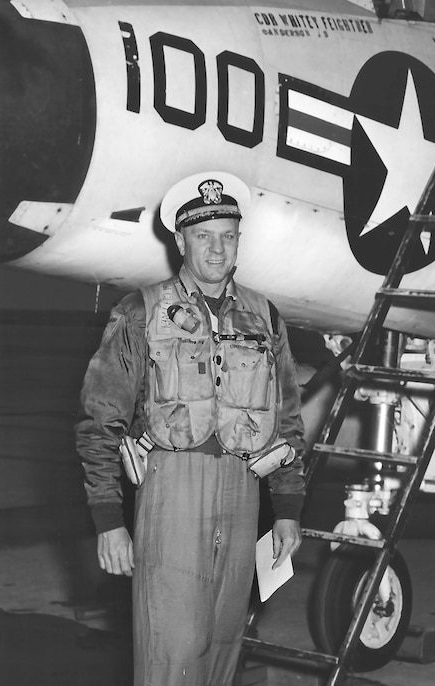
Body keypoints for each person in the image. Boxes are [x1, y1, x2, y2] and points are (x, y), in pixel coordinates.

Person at [76, 171, 306, 686]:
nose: (217, 249)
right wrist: (108, 519)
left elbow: (287, 424)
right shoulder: (141, 312)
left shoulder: (265, 317)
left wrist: (287, 509)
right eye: (204, 236)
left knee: (223, 649)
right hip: (171, 493)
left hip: (244, 494)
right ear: (181, 241)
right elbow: (100, 421)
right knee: (173, 654)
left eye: (228, 235)